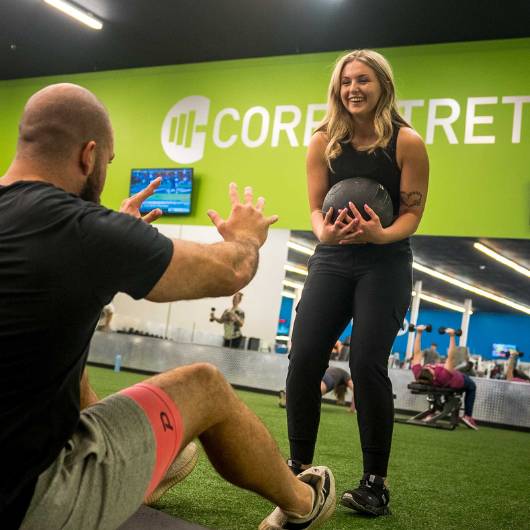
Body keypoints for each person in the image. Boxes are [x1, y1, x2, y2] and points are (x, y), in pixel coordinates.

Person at [0, 83, 335, 530]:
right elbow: (230, 271)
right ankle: (304, 502)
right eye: (108, 163)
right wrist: (247, 236)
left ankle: (134, 475)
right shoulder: (83, 229)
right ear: (89, 156)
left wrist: (111, 246)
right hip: (27, 505)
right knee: (205, 385)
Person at [284, 49, 429, 517]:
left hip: (384, 262)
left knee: (367, 362)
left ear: (383, 86)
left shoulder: (407, 142)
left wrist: (380, 234)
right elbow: (314, 210)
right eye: (346, 82)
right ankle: (298, 468)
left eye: (363, 80)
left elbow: (412, 213)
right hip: (332, 257)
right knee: (304, 357)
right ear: (337, 89)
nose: (353, 89)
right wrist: (324, 232)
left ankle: (374, 484)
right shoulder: (323, 142)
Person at [411, 326, 478, 430]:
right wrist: (452, 336)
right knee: (472, 386)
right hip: (458, 380)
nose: (429, 367)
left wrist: (419, 333)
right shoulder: (442, 376)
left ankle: (435, 410)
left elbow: (417, 353)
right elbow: (452, 357)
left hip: (449, 378)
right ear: (433, 376)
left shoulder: (418, 373)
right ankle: (468, 416)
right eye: (430, 369)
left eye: (427, 368)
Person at [279, 366, 356, 412]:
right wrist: (353, 408)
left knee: (307, 390)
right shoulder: (346, 375)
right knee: (313, 395)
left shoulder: (339, 372)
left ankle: (288, 396)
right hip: (329, 379)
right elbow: (356, 391)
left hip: (321, 373)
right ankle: (291, 402)